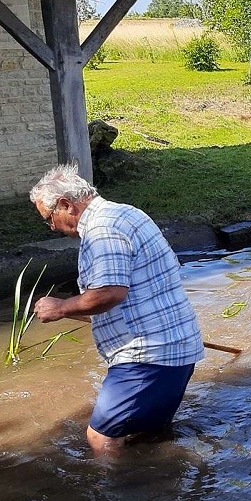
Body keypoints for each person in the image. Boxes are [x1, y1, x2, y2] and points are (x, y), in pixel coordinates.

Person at [29, 163, 204, 457]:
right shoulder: (125, 212)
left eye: (49, 218)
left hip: (147, 356)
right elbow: (124, 297)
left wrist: (60, 307)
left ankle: (117, 499)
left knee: (101, 437)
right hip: (177, 348)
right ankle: (163, 489)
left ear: (65, 205)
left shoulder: (102, 230)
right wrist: (73, 308)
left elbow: (110, 293)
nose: (51, 227)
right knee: (151, 435)